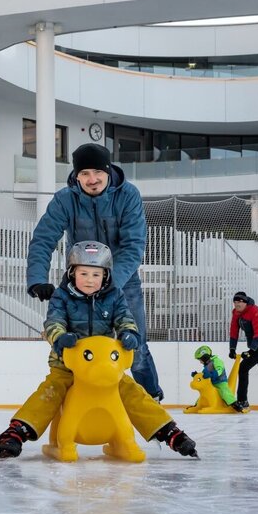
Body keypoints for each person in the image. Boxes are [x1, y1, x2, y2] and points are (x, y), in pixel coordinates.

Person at [0, 241, 197, 459]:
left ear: (105, 276)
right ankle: (16, 432)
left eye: (96, 275)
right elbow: (53, 322)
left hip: (103, 366)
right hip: (67, 365)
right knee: (51, 391)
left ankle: (168, 430)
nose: (89, 280)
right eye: (83, 273)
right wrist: (60, 338)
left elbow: (125, 317)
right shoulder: (61, 296)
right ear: (72, 273)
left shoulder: (115, 295)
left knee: (131, 390)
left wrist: (129, 333)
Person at [25, 143, 163, 401]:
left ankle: (151, 399)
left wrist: (112, 282)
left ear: (108, 171)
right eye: (85, 173)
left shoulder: (127, 195)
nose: (92, 179)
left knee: (135, 343)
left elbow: (134, 245)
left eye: (98, 172)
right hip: (79, 282)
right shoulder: (66, 199)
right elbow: (43, 239)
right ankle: (76, 399)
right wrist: (37, 279)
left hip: (122, 282)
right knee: (74, 344)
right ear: (76, 176)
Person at [193, 345, 243, 411]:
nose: (200, 362)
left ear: (205, 357)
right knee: (204, 393)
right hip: (212, 383)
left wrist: (214, 373)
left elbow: (220, 369)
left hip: (220, 382)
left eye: (200, 360)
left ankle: (234, 403)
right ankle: (197, 405)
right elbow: (203, 375)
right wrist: (196, 375)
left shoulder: (216, 361)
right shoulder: (207, 365)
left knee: (224, 391)